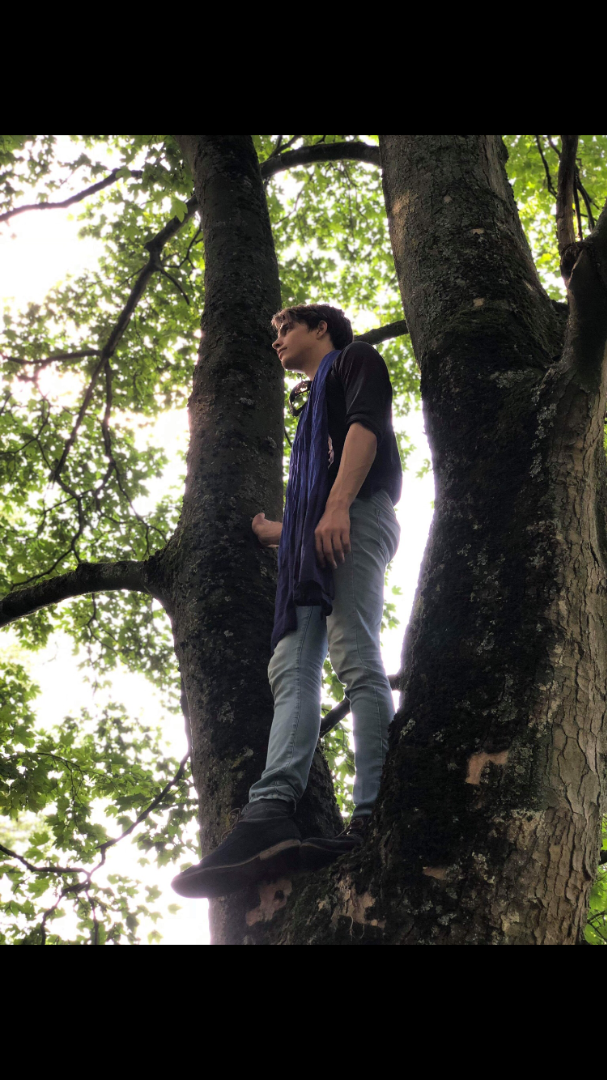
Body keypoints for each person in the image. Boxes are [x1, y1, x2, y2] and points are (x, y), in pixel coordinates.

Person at [172, 304, 402, 899]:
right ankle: (270, 813)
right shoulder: (308, 411)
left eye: (285, 329)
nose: (277, 340)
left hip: (356, 512)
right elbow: (314, 481)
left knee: (354, 653)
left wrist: (336, 505)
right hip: (311, 536)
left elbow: (366, 429)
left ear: (320, 328)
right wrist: (276, 530)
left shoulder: (355, 360)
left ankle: (374, 813)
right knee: (291, 666)